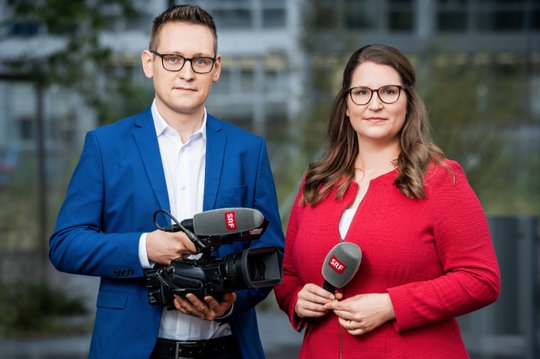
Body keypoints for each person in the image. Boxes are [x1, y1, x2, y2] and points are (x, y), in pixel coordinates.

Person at [49, 4, 284, 359]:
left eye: (200, 61)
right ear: (149, 63)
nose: (187, 73)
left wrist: (230, 303)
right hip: (133, 350)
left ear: (216, 68)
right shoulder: (106, 146)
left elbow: (272, 253)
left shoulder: (247, 150)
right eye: (173, 58)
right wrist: (145, 248)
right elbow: (65, 244)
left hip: (227, 347)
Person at [274, 44, 500, 358]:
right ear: (346, 105)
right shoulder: (315, 183)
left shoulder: (440, 180)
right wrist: (297, 298)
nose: (375, 104)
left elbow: (481, 279)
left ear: (408, 102)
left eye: (389, 92)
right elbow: (287, 275)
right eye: (362, 92)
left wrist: (392, 305)